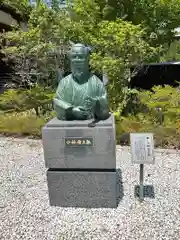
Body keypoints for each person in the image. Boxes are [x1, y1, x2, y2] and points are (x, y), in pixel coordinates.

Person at [53, 43, 109, 121]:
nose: (77, 60)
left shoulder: (96, 82)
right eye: (74, 57)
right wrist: (71, 111)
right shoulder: (64, 83)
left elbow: (104, 107)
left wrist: (97, 104)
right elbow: (57, 102)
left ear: (87, 59)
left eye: (80, 57)